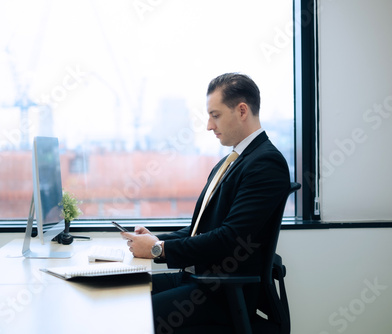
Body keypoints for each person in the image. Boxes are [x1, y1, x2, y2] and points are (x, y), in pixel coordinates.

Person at [121, 73, 290, 333]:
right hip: (198, 279)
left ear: (242, 110)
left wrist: (159, 251)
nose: (209, 125)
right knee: (122, 295)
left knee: (132, 316)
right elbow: (199, 231)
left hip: (221, 293)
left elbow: (229, 238)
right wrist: (156, 241)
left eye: (216, 115)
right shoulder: (229, 162)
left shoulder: (266, 163)